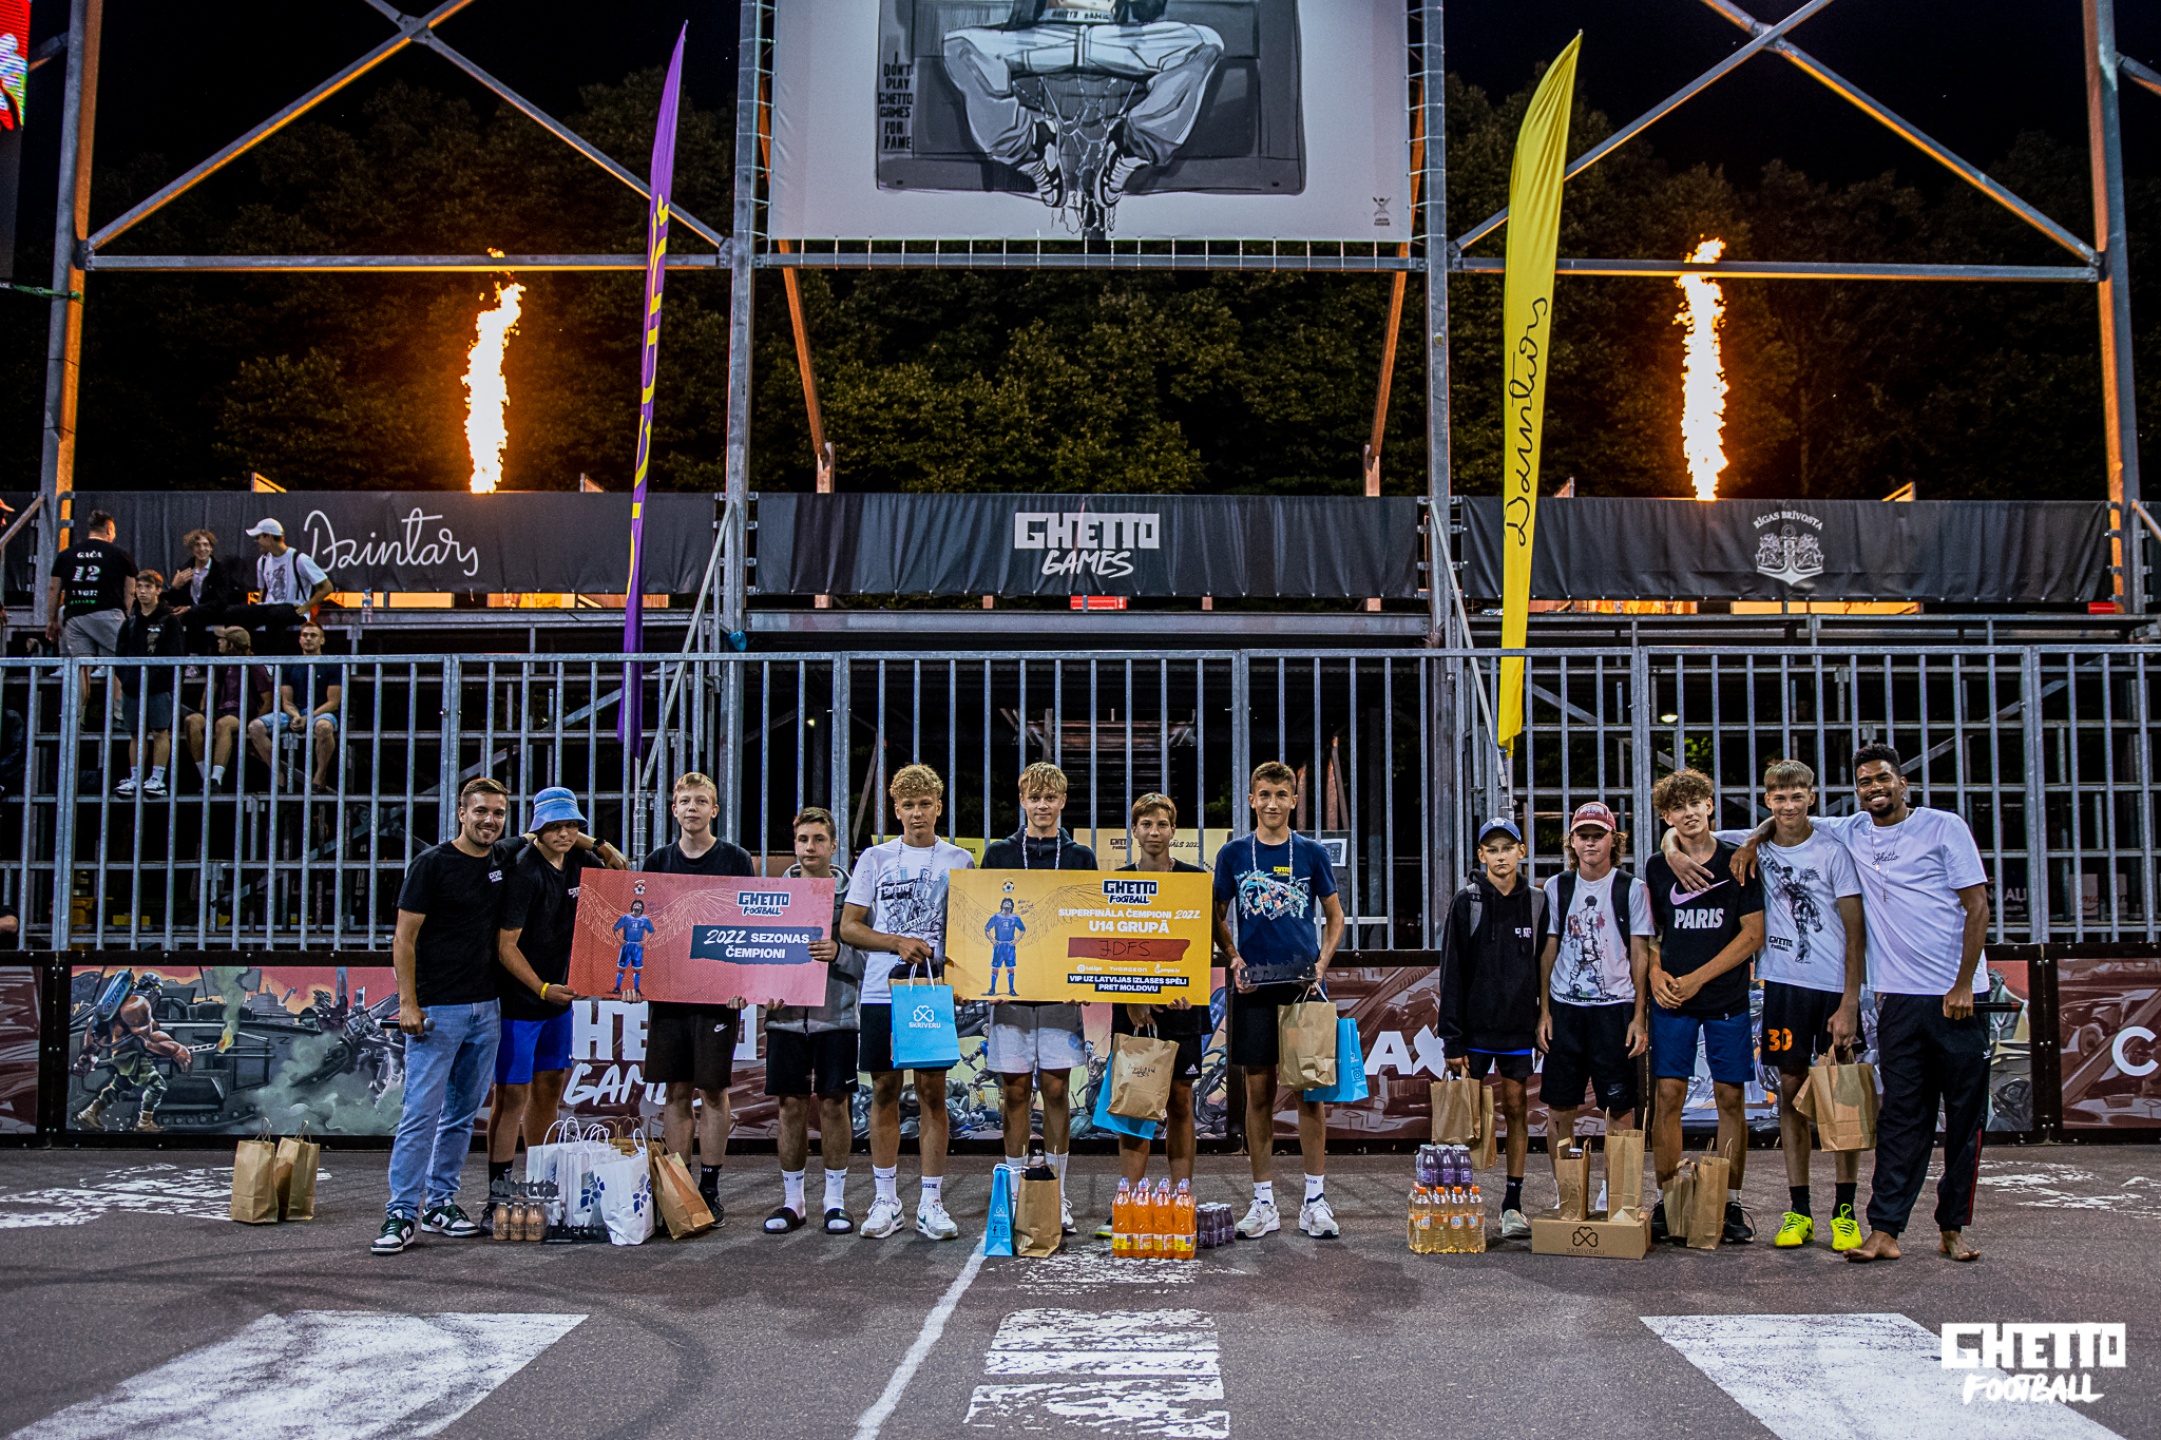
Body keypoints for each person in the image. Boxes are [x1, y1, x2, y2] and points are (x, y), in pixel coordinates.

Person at [1710, 744, 1991, 1265]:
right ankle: (1885, 1229)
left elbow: (1977, 906)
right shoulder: (1853, 829)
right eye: (1865, 782)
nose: (1874, 788)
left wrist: (1962, 985)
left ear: (1902, 783)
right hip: (1897, 998)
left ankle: (1952, 1227)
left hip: (1956, 997)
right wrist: (1750, 840)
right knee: (1901, 1118)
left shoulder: (1943, 827)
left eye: (1883, 778)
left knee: (1963, 1120)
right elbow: (1782, 820)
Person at [1666, 760, 1867, 1251]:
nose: (1789, 805)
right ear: (1767, 801)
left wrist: (1850, 1000)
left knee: (1842, 1099)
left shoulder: (1833, 849)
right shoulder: (1752, 844)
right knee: (1791, 1096)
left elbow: (1855, 932)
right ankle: (1800, 1210)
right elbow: (1684, 831)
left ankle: (1845, 1210)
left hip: (1831, 988)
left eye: (1797, 796)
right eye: (1779, 797)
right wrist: (1672, 853)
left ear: (1812, 797)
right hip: (1782, 986)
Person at [376, 776, 522, 1254]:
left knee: (460, 1116)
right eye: (480, 811)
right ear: (461, 813)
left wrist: (597, 845)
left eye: (498, 813)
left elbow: (545, 834)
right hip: (438, 1011)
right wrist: (408, 1003)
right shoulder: (431, 864)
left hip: (487, 1009)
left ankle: (440, 1203)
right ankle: (401, 1211)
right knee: (421, 1114)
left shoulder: (502, 857)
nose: (489, 821)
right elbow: (403, 939)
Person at [1213, 760, 1346, 1240]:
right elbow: (1216, 914)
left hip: (1303, 989)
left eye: (1281, 795)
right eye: (1264, 795)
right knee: (1259, 1095)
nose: (1272, 803)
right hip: (1254, 990)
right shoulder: (1233, 854)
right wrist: (1233, 957)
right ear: (1252, 800)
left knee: (1311, 1094)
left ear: (1294, 800)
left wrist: (1322, 964)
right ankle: (1263, 1201)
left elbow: (1335, 917)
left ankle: (1315, 1200)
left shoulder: (1311, 853)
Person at [841, 763, 974, 1242]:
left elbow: (969, 930)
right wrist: (896, 942)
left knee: (933, 1092)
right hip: (882, 990)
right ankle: (885, 1200)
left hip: (933, 990)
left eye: (925, 804)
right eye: (908, 805)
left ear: (939, 807)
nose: (917, 813)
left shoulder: (960, 860)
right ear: (895, 810)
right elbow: (849, 927)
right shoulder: (875, 857)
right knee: (883, 1090)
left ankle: (931, 1202)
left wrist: (961, 978)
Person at [489, 787, 623, 1228]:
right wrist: (542, 988)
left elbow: (622, 875)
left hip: (557, 1001)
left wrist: (598, 843)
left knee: (549, 1089)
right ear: (538, 828)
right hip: (521, 1001)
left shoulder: (581, 861)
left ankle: (538, 1185)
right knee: (512, 1096)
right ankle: (496, 1195)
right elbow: (506, 946)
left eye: (571, 825)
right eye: (555, 826)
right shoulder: (523, 871)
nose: (565, 834)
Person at [1641, 769, 1765, 1246]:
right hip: (1672, 998)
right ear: (1666, 817)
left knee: (1730, 1099)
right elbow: (1649, 933)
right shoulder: (1658, 866)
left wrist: (1697, 979)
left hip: (1725, 997)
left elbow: (1752, 935)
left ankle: (1729, 1203)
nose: (1689, 812)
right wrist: (1656, 972)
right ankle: (1668, 1201)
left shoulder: (1738, 860)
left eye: (1696, 803)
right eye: (1678, 807)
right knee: (1668, 1098)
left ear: (1710, 805)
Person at [980, 761, 1098, 1234]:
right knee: (1013, 1091)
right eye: (1035, 797)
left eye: (1051, 797)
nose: (1043, 805)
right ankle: (1013, 1194)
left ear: (1063, 801)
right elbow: (981, 913)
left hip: (1059, 997)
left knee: (1054, 1090)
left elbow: (1090, 922)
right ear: (1022, 800)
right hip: (1010, 998)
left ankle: (1056, 1193)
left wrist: (1085, 980)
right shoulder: (999, 853)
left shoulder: (1081, 856)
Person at [640, 771, 760, 1219]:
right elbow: (648, 931)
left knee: (712, 1090)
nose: (692, 808)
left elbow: (748, 926)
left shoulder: (735, 859)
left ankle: (709, 1187)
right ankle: (679, 1187)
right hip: (670, 993)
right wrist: (636, 982)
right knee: (675, 1090)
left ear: (714, 810)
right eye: (685, 801)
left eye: (701, 801)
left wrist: (742, 984)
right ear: (674, 809)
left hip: (717, 994)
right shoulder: (657, 861)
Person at [1097, 791, 1208, 1236]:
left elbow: (1199, 943)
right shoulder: (1119, 881)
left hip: (1183, 1008)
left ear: (1173, 830)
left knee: (1181, 1101)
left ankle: (1181, 1197)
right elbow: (1112, 947)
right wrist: (1131, 997)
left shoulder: (1194, 880)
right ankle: (1130, 1199)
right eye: (1146, 824)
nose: (1154, 832)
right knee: (1135, 1105)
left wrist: (1185, 988)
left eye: (1162, 824)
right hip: (1133, 1011)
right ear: (1134, 831)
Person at [1439, 818, 1549, 1241]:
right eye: (1492, 849)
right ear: (1481, 855)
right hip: (1474, 1032)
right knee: (1464, 1120)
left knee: (1517, 1108)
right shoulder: (1467, 900)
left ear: (1521, 851)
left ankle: (1512, 1205)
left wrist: (1543, 1017)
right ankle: (1460, 1207)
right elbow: (1451, 971)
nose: (1501, 856)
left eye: (1508, 847)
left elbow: (1545, 966)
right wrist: (1452, 1038)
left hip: (1518, 1029)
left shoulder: (1537, 902)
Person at [1536, 801, 1651, 1198]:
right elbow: (1549, 948)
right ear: (1571, 841)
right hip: (1565, 1009)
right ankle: (1566, 1191)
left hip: (1614, 1009)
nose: (1590, 843)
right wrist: (1544, 1010)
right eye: (1582, 835)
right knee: (1559, 1107)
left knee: (1619, 1107)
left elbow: (1641, 953)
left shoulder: (1631, 888)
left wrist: (1639, 1016)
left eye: (1597, 835)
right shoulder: (1557, 886)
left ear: (1613, 840)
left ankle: (1614, 1192)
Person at [764, 807, 862, 1236]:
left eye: (819, 839)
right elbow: (758, 952)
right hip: (784, 1019)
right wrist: (759, 988)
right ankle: (793, 1202)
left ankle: (835, 1202)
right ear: (795, 844)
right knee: (790, 1106)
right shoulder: (774, 895)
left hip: (836, 1017)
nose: (810, 847)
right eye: (803, 839)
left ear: (833, 845)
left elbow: (869, 960)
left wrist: (840, 953)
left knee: (834, 1105)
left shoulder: (854, 897)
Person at [113, 570, 185, 799]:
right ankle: (135, 777)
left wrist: (162, 680)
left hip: (159, 688)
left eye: (148, 587)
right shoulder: (131, 622)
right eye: (139, 587)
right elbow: (120, 655)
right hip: (133, 687)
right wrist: (127, 678)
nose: (142, 592)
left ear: (158, 590)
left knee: (160, 731)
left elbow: (176, 655)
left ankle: (157, 778)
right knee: (135, 733)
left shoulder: (168, 620)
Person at [248, 620, 343, 791]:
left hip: (321, 713)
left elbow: (333, 702)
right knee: (255, 727)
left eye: (313, 635)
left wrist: (308, 717)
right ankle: (278, 776)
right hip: (294, 713)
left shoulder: (332, 664)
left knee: (324, 727)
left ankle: (319, 778)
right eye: (305, 635)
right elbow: (287, 700)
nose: (308, 639)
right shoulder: (290, 664)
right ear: (299, 640)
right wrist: (296, 716)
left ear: (322, 640)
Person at [184, 627, 276, 789]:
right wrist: (204, 711)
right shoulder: (222, 664)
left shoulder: (254, 665)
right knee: (192, 721)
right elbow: (210, 691)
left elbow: (267, 699)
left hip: (243, 711)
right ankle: (204, 775)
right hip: (220, 710)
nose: (218, 642)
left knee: (224, 724)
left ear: (232, 644)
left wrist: (254, 722)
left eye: (222, 639)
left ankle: (216, 778)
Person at [45, 508, 136, 662]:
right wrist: (125, 615)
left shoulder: (66, 555)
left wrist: (52, 620)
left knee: (82, 663)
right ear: (109, 529)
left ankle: (82, 679)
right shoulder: (120, 555)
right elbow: (130, 590)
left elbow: (54, 588)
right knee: (113, 663)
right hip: (108, 614)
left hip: (75, 614)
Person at [232, 518, 330, 653]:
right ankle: (240, 655)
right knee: (235, 613)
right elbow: (263, 590)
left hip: (294, 608)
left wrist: (306, 606)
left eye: (258, 537)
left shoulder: (299, 559)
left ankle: (271, 659)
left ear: (269, 537)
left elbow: (327, 587)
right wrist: (257, 609)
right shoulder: (262, 561)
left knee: (276, 615)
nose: (256, 541)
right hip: (270, 607)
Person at [163, 528, 244, 655]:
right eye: (197, 545)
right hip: (190, 614)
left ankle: (195, 657)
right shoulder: (185, 569)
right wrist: (175, 587)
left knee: (195, 616)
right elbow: (175, 602)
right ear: (192, 548)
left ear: (211, 548)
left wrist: (191, 608)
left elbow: (221, 601)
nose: (202, 549)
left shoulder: (220, 570)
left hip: (211, 612)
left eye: (206, 545)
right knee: (170, 618)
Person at [612, 900, 654, 1003]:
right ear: (632, 906)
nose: (637, 905)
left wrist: (645, 941)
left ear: (642, 908)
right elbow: (615, 929)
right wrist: (620, 939)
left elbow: (651, 931)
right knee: (621, 968)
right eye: (635, 904)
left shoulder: (645, 919)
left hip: (637, 946)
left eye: (639, 905)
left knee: (637, 969)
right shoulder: (626, 917)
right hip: (627, 945)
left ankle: (636, 988)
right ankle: (617, 987)